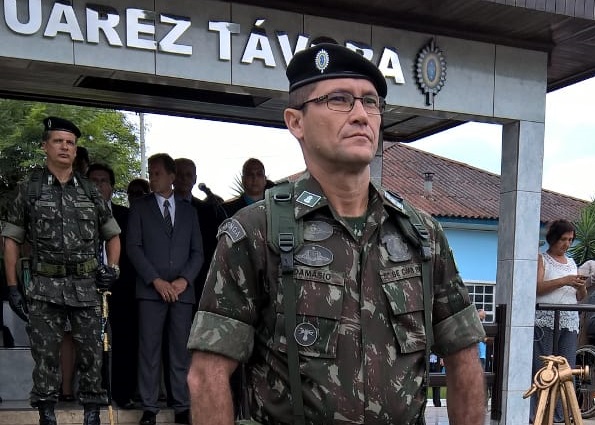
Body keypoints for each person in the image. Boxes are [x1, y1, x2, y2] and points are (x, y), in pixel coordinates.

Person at [187, 43, 486, 425]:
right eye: (340, 100)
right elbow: (207, 374)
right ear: (296, 121)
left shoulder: (421, 234)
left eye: (371, 102)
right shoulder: (255, 233)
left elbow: (463, 356)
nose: (361, 114)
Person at [2, 116, 121, 425]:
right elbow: (12, 241)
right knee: (45, 357)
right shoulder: (29, 189)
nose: (65, 147)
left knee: (92, 355)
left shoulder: (91, 191)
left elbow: (113, 235)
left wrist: (114, 269)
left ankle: (92, 416)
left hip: (86, 286)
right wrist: (13, 287)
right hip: (44, 286)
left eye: (70, 142)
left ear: (76, 149)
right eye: (58, 141)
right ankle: (47, 417)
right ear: (45, 146)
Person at [127, 153, 204, 425]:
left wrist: (183, 281)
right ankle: (149, 406)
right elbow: (133, 248)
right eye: (150, 172)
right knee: (149, 349)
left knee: (181, 350)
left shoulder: (189, 211)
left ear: (172, 176)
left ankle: (182, 405)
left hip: (182, 293)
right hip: (150, 291)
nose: (152, 177)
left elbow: (197, 253)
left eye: (157, 173)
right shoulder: (140, 207)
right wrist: (156, 281)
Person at [87, 163, 138, 410]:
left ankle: (122, 392)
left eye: (103, 181)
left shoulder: (126, 215)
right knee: (91, 341)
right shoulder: (80, 213)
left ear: (112, 186)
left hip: (122, 285)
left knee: (125, 339)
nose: (98, 185)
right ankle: (94, 391)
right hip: (87, 286)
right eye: (94, 181)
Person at [530, 219, 587, 423]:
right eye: (563, 239)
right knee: (544, 368)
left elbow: (580, 296)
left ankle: (560, 415)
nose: (567, 244)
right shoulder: (542, 259)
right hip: (545, 320)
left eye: (570, 240)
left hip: (568, 320)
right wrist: (564, 280)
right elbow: (537, 288)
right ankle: (539, 414)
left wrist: (580, 285)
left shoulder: (572, 263)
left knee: (566, 370)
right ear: (553, 238)